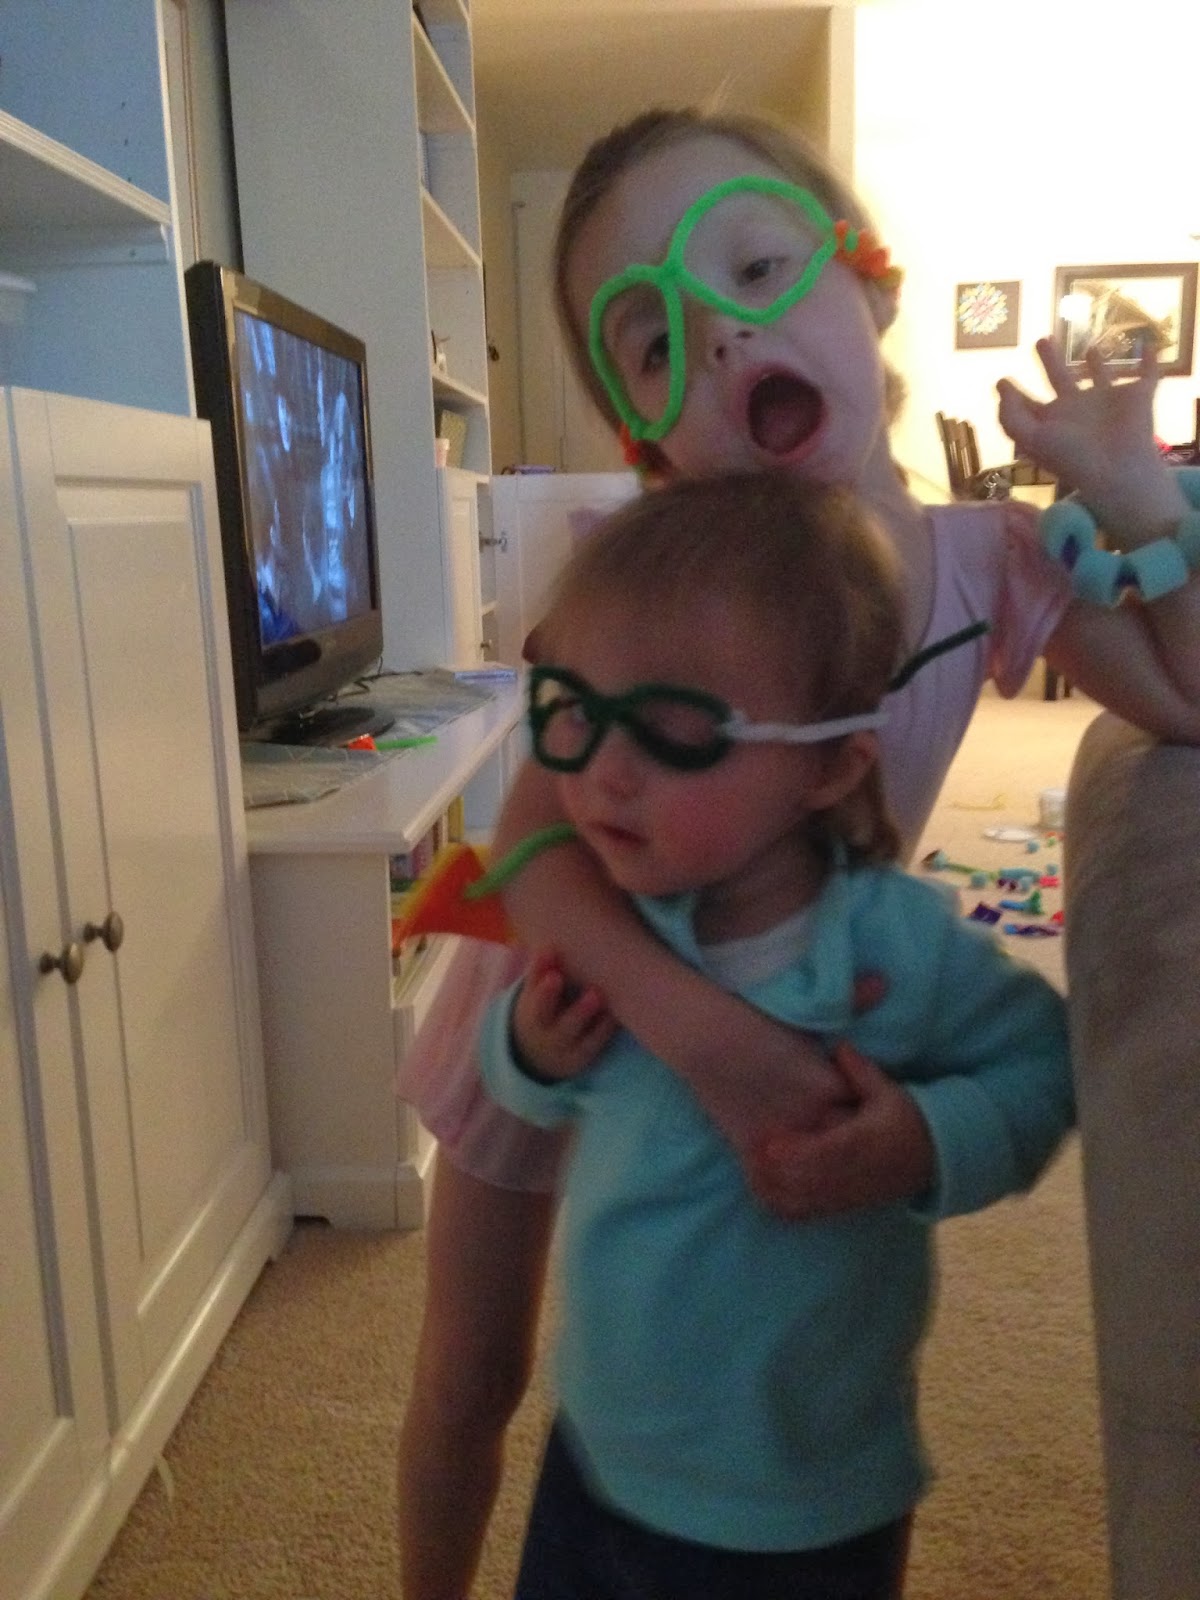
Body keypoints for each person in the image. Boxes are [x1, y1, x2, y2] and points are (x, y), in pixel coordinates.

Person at [397, 106, 1200, 1600]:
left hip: (799, 968)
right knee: (474, 1368)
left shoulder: (987, 560)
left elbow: (1187, 695)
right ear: (646, 433)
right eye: (654, 342)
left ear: (869, 279)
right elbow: (529, 868)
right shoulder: (640, 587)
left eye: (756, 265)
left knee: (745, 1313)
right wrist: (699, 1032)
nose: (716, 333)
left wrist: (1140, 492)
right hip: (566, 989)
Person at [478, 468, 1074, 1598]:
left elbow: (1047, 1064)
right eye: (578, 714)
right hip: (599, 1449)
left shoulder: (894, 945)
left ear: (829, 764)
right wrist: (530, 1050)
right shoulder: (615, 928)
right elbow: (527, 1089)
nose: (602, 774)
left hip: (805, 1502)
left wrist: (923, 1141)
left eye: (671, 731)